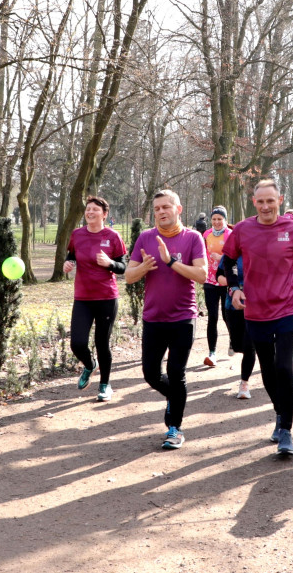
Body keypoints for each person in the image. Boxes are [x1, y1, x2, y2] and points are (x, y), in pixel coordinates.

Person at [218, 179, 293, 456]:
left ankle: (286, 429)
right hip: (255, 311)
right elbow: (227, 260)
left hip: (287, 308)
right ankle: (279, 413)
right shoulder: (242, 230)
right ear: (254, 203)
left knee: (285, 368)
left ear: (280, 200)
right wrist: (234, 287)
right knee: (269, 371)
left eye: (270, 200)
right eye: (260, 201)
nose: (265, 206)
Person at [125, 190, 208, 450]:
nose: (161, 212)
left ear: (178, 209)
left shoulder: (192, 238)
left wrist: (170, 262)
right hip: (153, 317)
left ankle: (174, 428)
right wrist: (143, 268)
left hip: (183, 317)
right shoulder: (146, 238)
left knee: (176, 372)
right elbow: (128, 276)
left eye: (166, 207)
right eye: (157, 208)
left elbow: (202, 275)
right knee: (150, 373)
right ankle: (175, 398)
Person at [63, 196, 128, 402]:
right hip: (82, 297)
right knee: (77, 343)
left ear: (104, 214)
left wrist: (110, 263)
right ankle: (91, 365)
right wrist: (68, 264)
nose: (90, 212)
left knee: (102, 343)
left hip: (106, 297)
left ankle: (105, 385)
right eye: (88, 209)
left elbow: (123, 267)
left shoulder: (113, 236)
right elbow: (71, 255)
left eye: (95, 210)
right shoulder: (77, 235)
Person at [221, 255, 256, 399]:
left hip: (257, 307)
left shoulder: (262, 248)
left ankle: (244, 383)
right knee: (237, 346)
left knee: (250, 346)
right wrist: (233, 287)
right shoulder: (231, 252)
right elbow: (219, 275)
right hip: (234, 306)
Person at [201, 206, 232, 367]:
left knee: (227, 315)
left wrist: (222, 258)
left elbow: (237, 257)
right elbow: (202, 254)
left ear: (225, 220)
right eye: (214, 219)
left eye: (220, 219)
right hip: (209, 281)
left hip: (226, 280)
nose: (217, 222)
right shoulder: (206, 234)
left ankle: (233, 341)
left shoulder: (231, 235)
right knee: (212, 317)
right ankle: (212, 352)